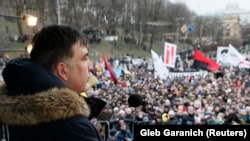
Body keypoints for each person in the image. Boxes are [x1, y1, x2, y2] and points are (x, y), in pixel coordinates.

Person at [0, 25, 105, 141]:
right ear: (63, 71)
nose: (91, 66)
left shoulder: (18, 115)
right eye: (85, 58)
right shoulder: (74, 128)